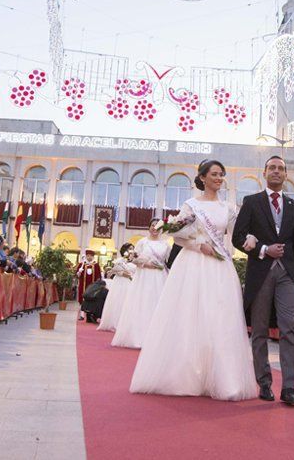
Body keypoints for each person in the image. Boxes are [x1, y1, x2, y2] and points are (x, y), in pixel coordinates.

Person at [131, 160, 258, 402]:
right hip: (194, 264)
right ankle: (187, 375)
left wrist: (250, 237)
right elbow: (177, 237)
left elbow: (236, 235)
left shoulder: (228, 207)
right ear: (202, 178)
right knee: (191, 315)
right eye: (214, 174)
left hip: (220, 267)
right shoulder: (191, 205)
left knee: (220, 317)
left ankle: (223, 378)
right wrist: (198, 245)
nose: (219, 178)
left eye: (222, 174)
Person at [232, 155, 294, 406]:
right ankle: (264, 382)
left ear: (286, 175)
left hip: (287, 274)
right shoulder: (251, 202)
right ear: (264, 173)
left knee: (289, 327)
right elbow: (237, 237)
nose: (276, 172)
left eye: (281, 169)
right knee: (260, 330)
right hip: (260, 272)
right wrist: (263, 249)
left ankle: (289, 387)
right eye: (272, 168)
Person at [112, 221, 171, 349]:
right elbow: (133, 259)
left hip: (160, 277)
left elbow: (167, 262)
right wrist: (145, 264)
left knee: (157, 304)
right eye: (152, 225)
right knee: (143, 303)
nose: (155, 228)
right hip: (144, 276)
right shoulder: (142, 242)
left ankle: (157, 338)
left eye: (158, 226)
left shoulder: (166, 244)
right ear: (149, 227)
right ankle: (139, 336)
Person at [97, 243, 136, 332]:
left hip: (130, 283)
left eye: (132, 249)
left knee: (128, 302)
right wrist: (123, 274)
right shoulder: (119, 260)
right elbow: (115, 271)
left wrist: (131, 275)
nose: (131, 250)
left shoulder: (135, 261)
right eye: (130, 248)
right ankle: (115, 323)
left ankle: (125, 323)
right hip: (120, 282)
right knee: (118, 301)